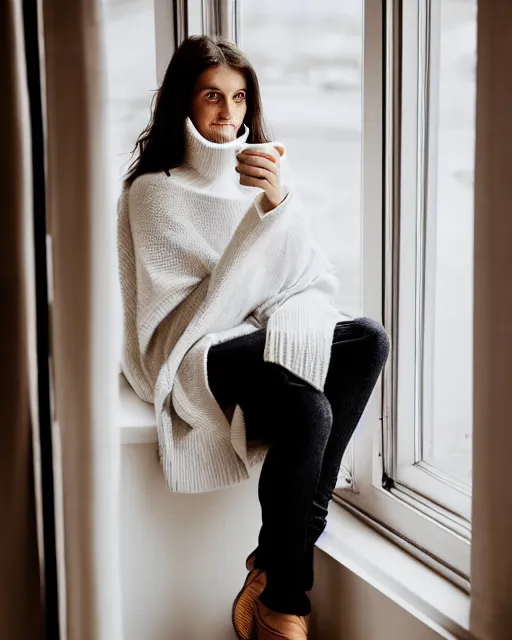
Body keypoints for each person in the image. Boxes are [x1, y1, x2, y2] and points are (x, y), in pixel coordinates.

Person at [117, 35, 389, 640]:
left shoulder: (262, 175)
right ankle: (286, 601)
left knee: (368, 338)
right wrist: (268, 215)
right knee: (306, 406)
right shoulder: (152, 191)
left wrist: (278, 201)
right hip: (192, 352)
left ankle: (271, 561)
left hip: (256, 336)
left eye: (240, 98)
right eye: (212, 95)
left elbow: (305, 276)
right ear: (184, 101)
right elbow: (198, 309)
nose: (228, 113)